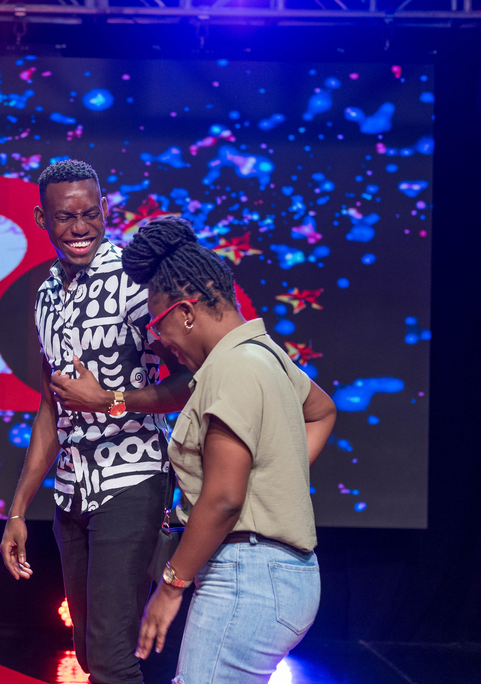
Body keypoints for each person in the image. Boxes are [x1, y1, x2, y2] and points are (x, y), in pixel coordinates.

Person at [0, 159, 191, 684]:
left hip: (133, 480)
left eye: (90, 214)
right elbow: (50, 408)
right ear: (42, 219)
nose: (80, 227)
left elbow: (193, 381)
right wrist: (17, 511)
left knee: (110, 655)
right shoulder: (45, 295)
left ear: (104, 209)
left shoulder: (139, 284)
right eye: (65, 217)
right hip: (71, 495)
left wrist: (110, 399)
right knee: (88, 652)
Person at [124, 217, 336, 682]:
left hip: (251, 575)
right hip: (279, 575)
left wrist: (171, 586)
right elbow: (321, 412)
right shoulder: (267, 353)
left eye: (159, 327)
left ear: (185, 311)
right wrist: (276, 475)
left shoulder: (233, 367)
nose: (163, 344)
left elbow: (222, 499)